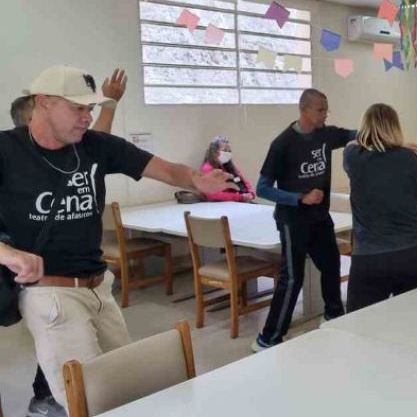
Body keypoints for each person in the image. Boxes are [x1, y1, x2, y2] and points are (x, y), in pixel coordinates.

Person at [0, 65, 234, 411]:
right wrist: (8, 254)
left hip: (99, 286)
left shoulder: (95, 145)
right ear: (44, 102)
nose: (87, 117)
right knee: (91, 398)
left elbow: (165, 169)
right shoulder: (7, 150)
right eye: (78, 108)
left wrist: (195, 179)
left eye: (90, 108)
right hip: (50, 293)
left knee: (125, 384)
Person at [6, 68, 126, 417]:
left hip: (79, 277)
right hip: (37, 277)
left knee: (68, 348)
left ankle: (50, 397)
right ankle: (48, 400)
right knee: (60, 345)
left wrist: (110, 103)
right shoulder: (16, 163)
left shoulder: (70, 153)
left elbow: (98, 141)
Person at [251, 89, 355, 352]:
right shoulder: (282, 144)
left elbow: (356, 135)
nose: (325, 114)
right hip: (292, 220)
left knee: (331, 264)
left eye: (326, 109)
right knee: (292, 278)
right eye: (320, 110)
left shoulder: (326, 134)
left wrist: (388, 137)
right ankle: (269, 337)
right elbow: (262, 189)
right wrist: (299, 198)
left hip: (320, 218)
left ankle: (333, 315)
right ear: (304, 110)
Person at [342, 104, 417, 312]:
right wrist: (416, 222)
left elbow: (353, 142)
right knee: (411, 319)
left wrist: (378, 136)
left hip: (371, 257)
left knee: (360, 322)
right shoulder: (410, 158)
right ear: (395, 127)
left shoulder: (353, 156)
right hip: (414, 253)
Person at [200, 136, 256, 202]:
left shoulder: (230, 166)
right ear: (214, 152)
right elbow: (212, 195)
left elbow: (243, 181)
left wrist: (251, 193)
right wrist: (240, 197)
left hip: (239, 200)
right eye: (225, 150)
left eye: (229, 150)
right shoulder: (208, 168)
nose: (228, 153)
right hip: (222, 203)